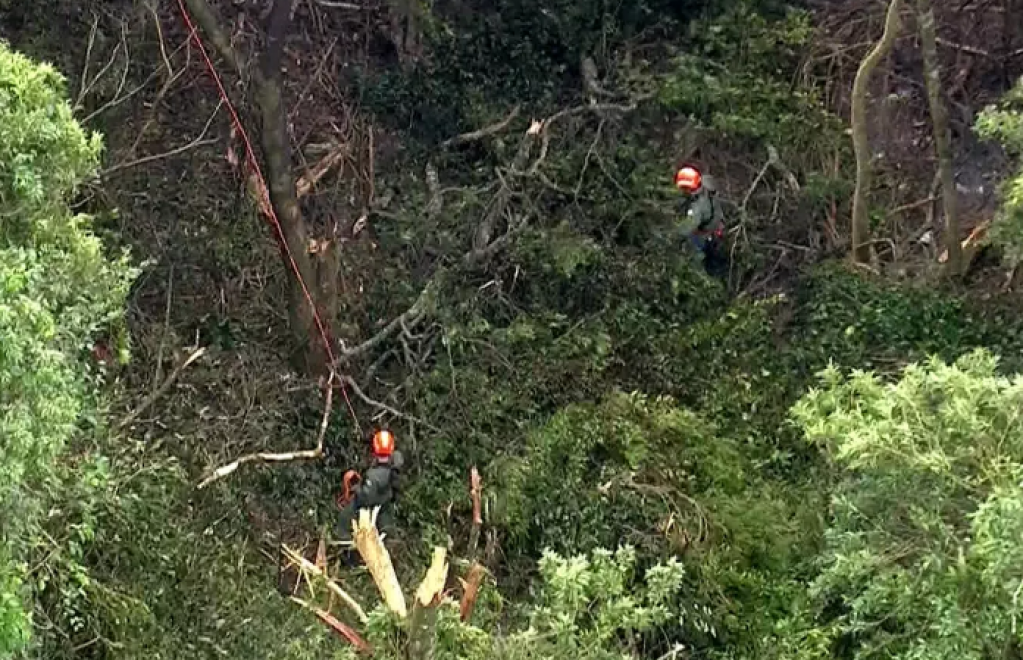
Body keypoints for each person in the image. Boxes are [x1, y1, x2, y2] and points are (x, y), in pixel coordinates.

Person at [336, 429, 405, 544]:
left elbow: (366, 499)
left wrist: (356, 489)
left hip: (373, 515)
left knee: (345, 516)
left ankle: (343, 540)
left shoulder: (374, 475)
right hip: (386, 511)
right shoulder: (395, 465)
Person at [675, 166, 726, 272]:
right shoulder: (706, 185)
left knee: (693, 249)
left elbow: (687, 228)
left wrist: (671, 232)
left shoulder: (698, 207)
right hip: (717, 222)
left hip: (705, 234)